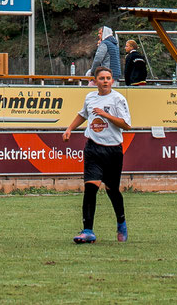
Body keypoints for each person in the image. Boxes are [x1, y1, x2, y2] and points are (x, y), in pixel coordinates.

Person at [65, 66, 130, 244]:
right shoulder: (90, 97)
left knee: (112, 191)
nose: (106, 81)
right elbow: (83, 114)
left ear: (112, 81)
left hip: (113, 150)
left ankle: (121, 222)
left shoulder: (118, 99)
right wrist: (70, 129)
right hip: (93, 148)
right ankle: (88, 231)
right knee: (90, 188)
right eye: (102, 78)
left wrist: (106, 115)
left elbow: (126, 124)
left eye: (108, 78)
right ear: (95, 81)